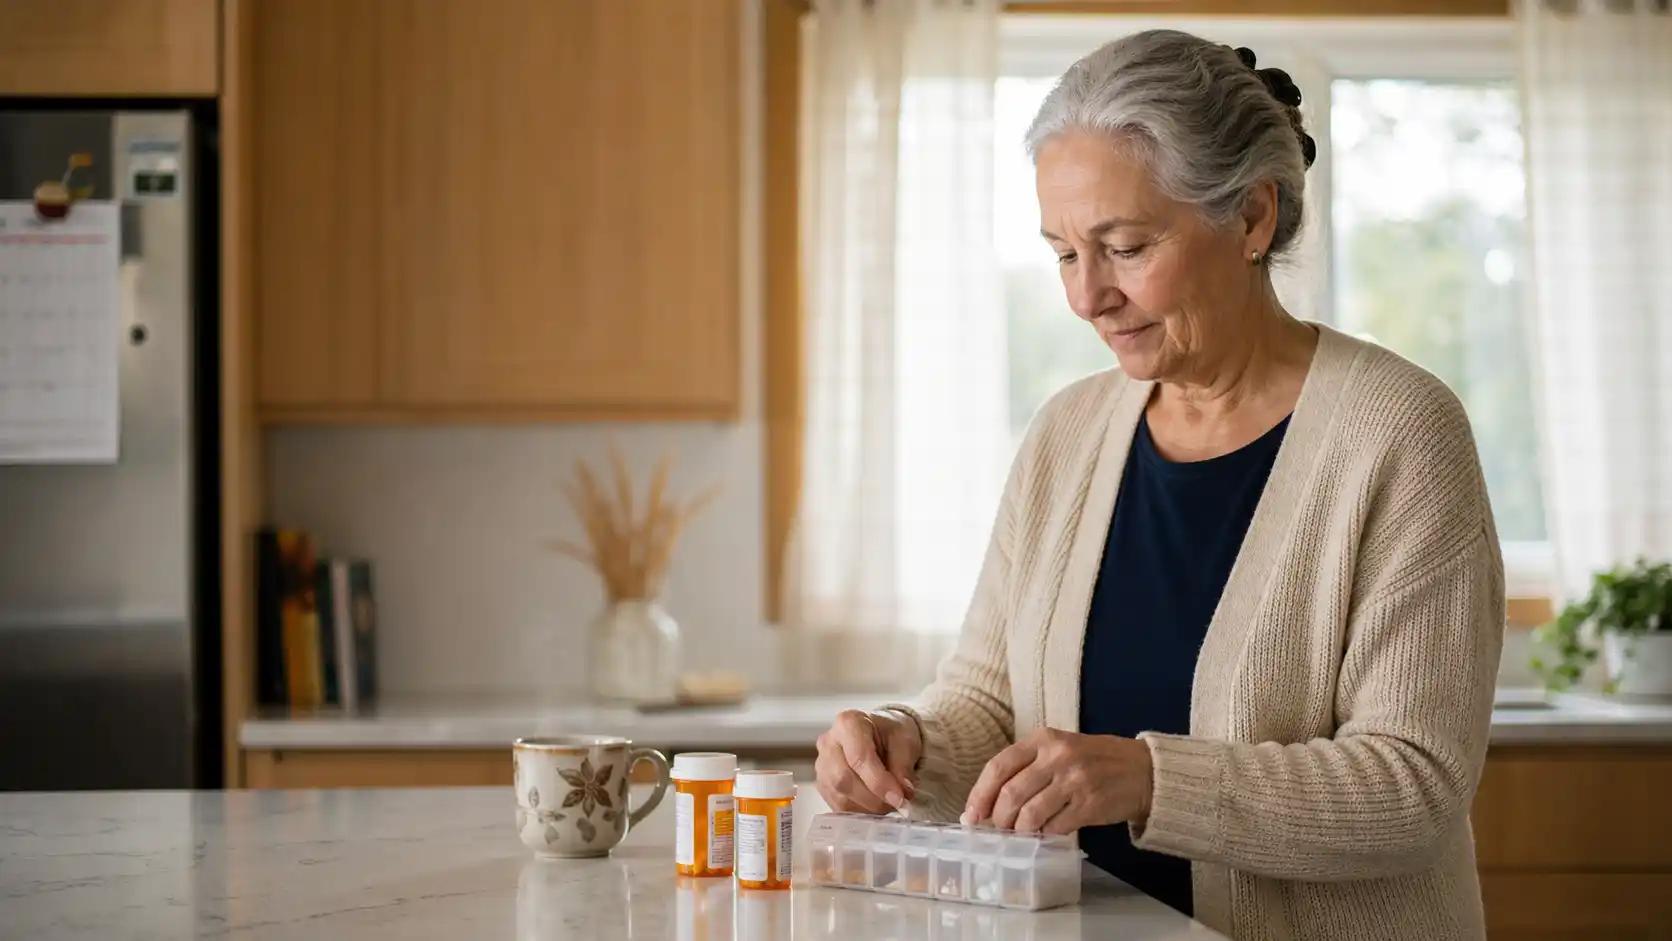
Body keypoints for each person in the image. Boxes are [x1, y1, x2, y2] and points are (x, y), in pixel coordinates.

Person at [813, 29, 1503, 941]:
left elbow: (1413, 781)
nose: (1086, 296)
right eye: (1064, 253)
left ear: (1252, 218)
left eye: (1126, 246)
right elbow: (990, 704)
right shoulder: (1068, 432)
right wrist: (908, 743)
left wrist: (1149, 779)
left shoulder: (1400, 431)